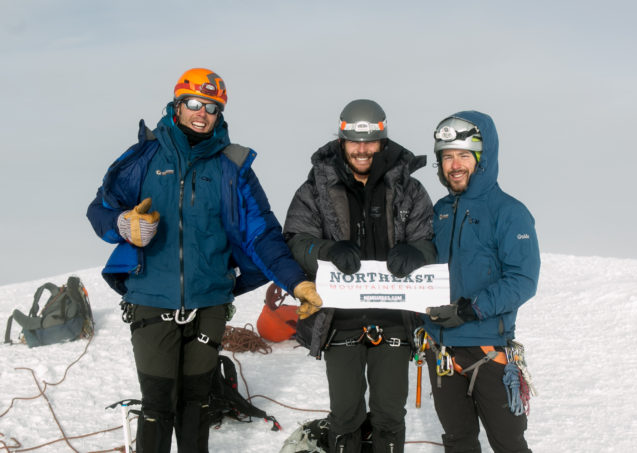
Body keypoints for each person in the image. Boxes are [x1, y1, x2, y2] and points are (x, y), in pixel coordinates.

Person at [86, 67, 322, 453]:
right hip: (151, 298)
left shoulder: (233, 167)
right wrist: (122, 223)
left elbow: (261, 233)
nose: (202, 113)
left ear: (220, 114)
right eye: (194, 103)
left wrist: (297, 282)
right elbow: (99, 210)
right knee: (158, 405)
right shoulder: (143, 157)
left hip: (209, 302)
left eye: (212, 107)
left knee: (197, 404)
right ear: (177, 105)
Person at [283, 99, 436, 453]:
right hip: (340, 321)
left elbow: (430, 241)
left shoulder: (409, 189)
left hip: (395, 321)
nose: (363, 150)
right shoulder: (316, 190)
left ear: (382, 141)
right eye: (354, 141)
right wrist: (327, 250)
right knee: (345, 414)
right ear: (342, 141)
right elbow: (295, 239)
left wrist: (417, 253)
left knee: (388, 414)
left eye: (370, 142)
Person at [422, 111, 540, 453]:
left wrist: (470, 309)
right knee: (457, 442)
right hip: (440, 350)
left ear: (482, 158)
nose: (454, 165)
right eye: (446, 157)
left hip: (489, 351)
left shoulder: (509, 211)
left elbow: (522, 280)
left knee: (508, 444)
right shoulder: (439, 211)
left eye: (463, 156)